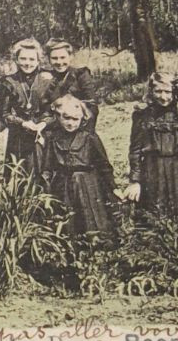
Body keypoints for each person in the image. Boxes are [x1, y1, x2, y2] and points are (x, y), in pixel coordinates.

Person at [123, 72, 178, 221]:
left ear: (174, 92)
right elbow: (135, 151)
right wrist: (135, 181)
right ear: (151, 92)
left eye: (167, 92)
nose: (163, 97)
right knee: (152, 215)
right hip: (152, 171)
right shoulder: (142, 115)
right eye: (158, 91)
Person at [34, 94, 119, 241]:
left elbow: (104, 165)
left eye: (75, 119)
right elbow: (47, 166)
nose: (71, 123)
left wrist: (114, 187)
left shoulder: (89, 137)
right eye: (66, 118)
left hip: (87, 183)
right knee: (67, 220)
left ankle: (96, 246)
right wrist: (44, 189)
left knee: (91, 217)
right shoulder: (53, 138)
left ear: (82, 119)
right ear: (58, 117)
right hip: (63, 184)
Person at [0, 38, 52, 174]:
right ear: (16, 60)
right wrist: (22, 123)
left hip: (44, 133)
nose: (27, 63)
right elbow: (4, 114)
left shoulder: (48, 79)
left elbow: (53, 110)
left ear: (39, 60)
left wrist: (43, 124)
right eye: (23, 59)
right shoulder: (8, 82)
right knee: (21, 176)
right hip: (19, 137)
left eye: (32, 59)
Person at [42, 40, 99, 123]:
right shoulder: (46, 77)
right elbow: (43, 106)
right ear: (49, 59)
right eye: (54, 58)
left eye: (63, 57)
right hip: (54, 125)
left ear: (70, 57)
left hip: (77, 124)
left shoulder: (81, 75)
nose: (59, 62)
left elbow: (92, 105)